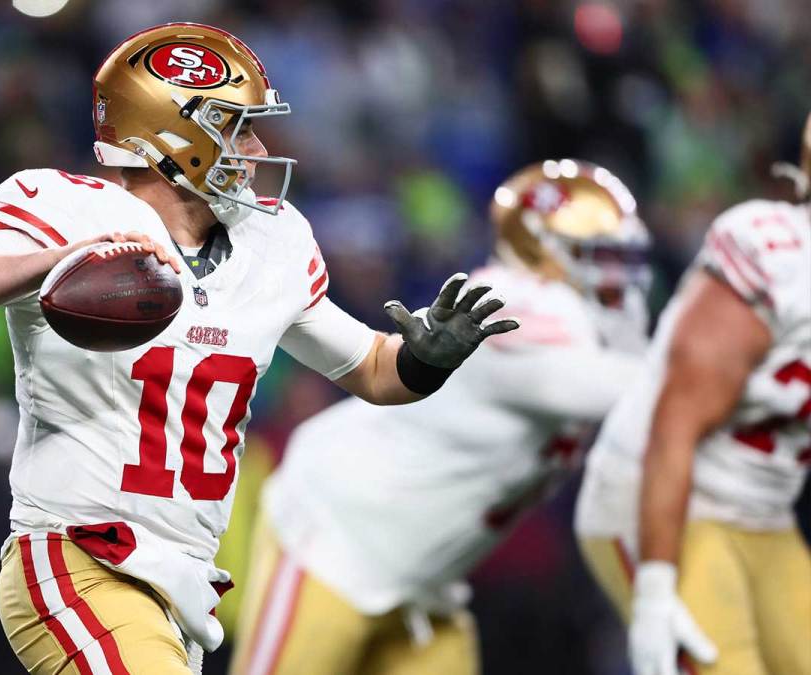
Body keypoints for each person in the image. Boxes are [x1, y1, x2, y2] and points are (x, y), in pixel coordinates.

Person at [0, 22, 518, 674]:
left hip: (185, 582)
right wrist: (53, 263)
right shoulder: (67, 211)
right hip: (80, 557)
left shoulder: (273, 243)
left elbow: (376, 371)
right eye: (237, 128)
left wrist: (428, 358)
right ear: (170, 136)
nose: (258, 149)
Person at [229, 160, 652, 675]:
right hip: (334, 538)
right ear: (541, 248)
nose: (622, 277)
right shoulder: (513, 309)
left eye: (627, 257)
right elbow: (638, 394)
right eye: (600, 256)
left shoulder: (590, 328)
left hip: (426, 584)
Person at [575, 114, 811, 675]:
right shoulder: (777, 257)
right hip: (667, 502)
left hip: (764, 511)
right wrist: (656, 590)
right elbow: (675, 423)